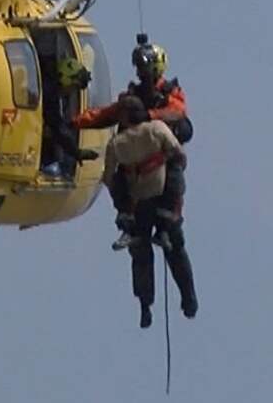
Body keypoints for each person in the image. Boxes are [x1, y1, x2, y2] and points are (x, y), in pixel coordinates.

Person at [75, 35, 192, 246]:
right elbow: (104, 115)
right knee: (121, 185)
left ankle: (167, 225)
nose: (140, 73)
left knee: (173, 178)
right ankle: (128, 222)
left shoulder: (169, 95)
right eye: (138, 68)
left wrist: (149, 116)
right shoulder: (131, 98)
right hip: (137, 171)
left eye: (143, 67)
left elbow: (178, 111)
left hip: (161, 164)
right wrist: (75, 122)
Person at [102, 95, 198, 327]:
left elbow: (108, 177)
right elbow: (179, 155)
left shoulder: (117, 143)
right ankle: (188, 299)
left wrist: (124, 203)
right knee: (176, 251)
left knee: (141, 253)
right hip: (163, 196)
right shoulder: (157, 129)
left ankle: (145, 306)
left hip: (139, 202)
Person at [40, 55, 100, 178]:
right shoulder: (49, 94)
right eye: (74, 87)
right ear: (67, 80)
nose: (72, 91)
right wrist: (76, 152)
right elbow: (57, 127)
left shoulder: (49, 86)